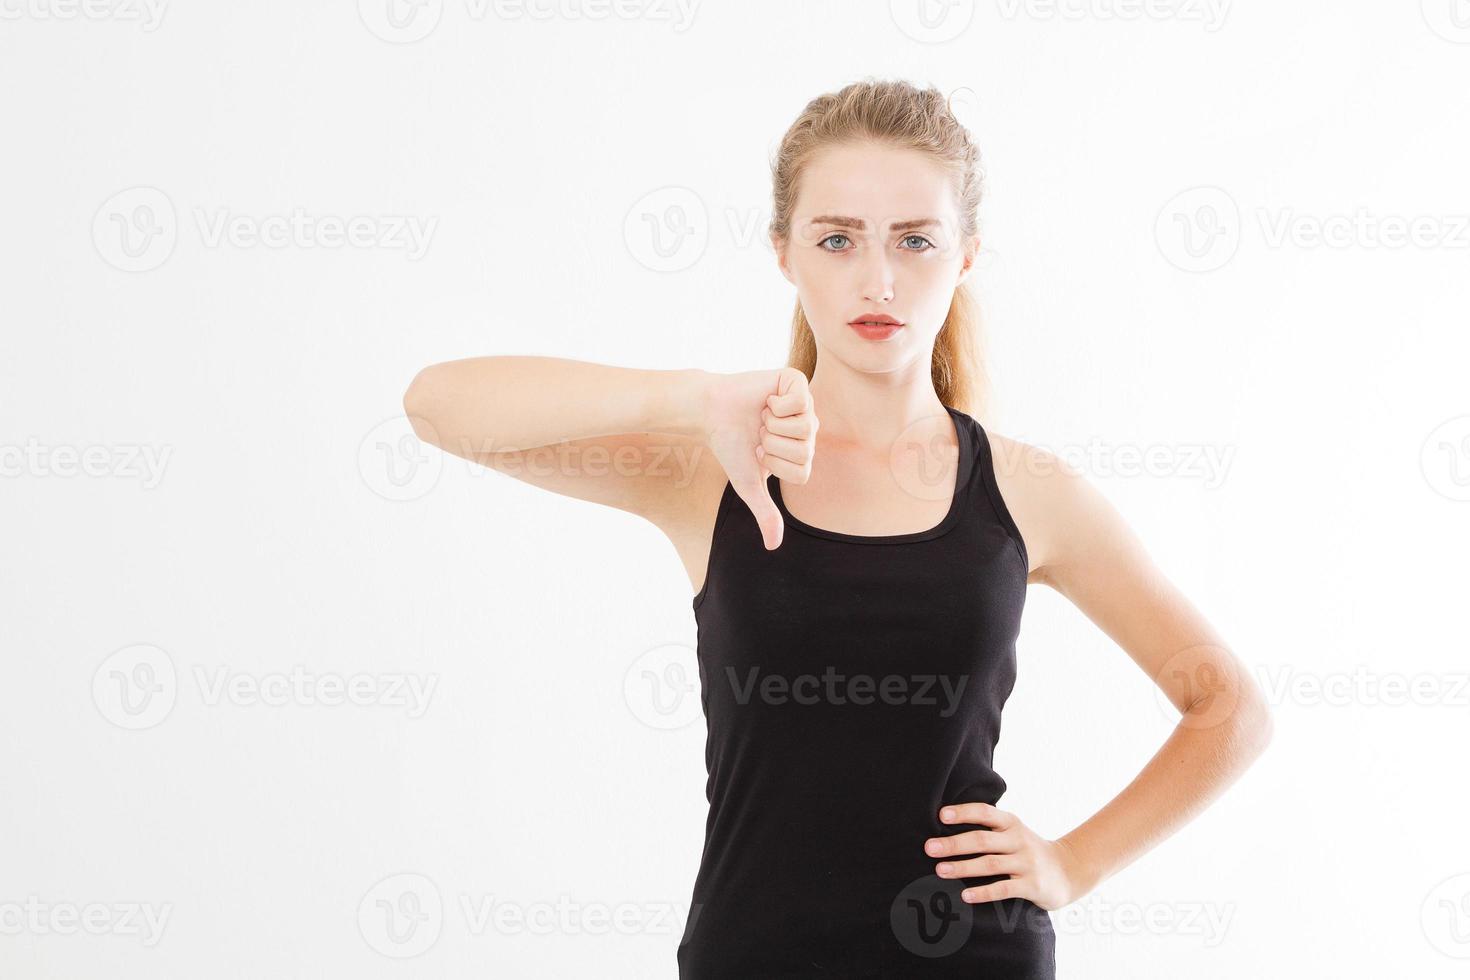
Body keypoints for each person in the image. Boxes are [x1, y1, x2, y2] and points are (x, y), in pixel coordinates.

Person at [402, 77, 1273, 979]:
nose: (878, 280)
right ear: (784, 252)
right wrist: (693, 399)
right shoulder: (710, 472)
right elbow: (437, 408)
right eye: (837, 239)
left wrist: (1073, 863)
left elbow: (1230, 709)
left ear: (965, 255)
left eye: (915, 241)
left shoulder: (1026, 493)